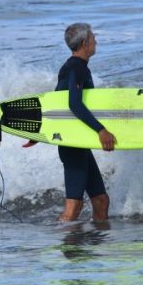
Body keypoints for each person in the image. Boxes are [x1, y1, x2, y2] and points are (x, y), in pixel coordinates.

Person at [55, 23, 116, 222]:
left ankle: (97, 243)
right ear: (84, 43)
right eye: (92, 37)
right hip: (72, 144)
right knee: (74, 205)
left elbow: (57, 103)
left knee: (101, 200)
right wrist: (101, 130)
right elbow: (73, 104)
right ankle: (68, 248)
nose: (95, 41)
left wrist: (42, 132)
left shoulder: (76, 67)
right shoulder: (74, 68)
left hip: (78, 141)